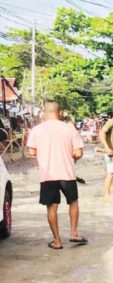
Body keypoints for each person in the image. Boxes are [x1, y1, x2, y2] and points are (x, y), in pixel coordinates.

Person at [26, 100, 88, 249]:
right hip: (67, 174)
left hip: (48, 175)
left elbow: (31, 151)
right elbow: (78, 152)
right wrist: (72, 155)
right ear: (59, 112)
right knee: (73, 202)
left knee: (52, 207)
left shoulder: (37, 130)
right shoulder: (69, 129)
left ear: (44, 113)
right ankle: (74, 233)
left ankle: (57, 241)